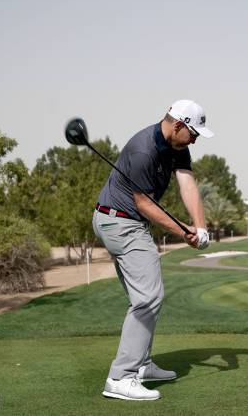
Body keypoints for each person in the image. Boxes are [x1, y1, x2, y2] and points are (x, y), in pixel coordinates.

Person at [92, 99, 214, 400]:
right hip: (119, 222)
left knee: (143, 296)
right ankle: (121, 377)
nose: (196, 139)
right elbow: (144, 203)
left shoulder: (178, 147)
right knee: (149, 297)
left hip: (123, 220)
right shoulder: (143, 148)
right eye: (194, 133)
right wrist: (183, 232)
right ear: (177, 125)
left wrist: (200, 227)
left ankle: (142, 363)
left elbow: (187, 184)